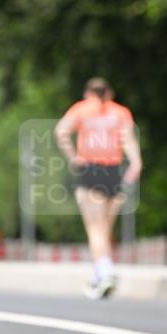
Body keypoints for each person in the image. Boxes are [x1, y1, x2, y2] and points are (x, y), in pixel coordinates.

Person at [55, 77, 142, 298]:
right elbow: (129, 139)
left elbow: (61, 131)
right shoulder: (121, 112)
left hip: (90, 169)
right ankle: (98, 275)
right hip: (113, 170)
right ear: (109, 93)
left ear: (87, 93)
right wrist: (136, 162)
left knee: (95, 228)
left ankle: (105, 272)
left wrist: (73, 156)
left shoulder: (82, 109)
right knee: (105, 228)